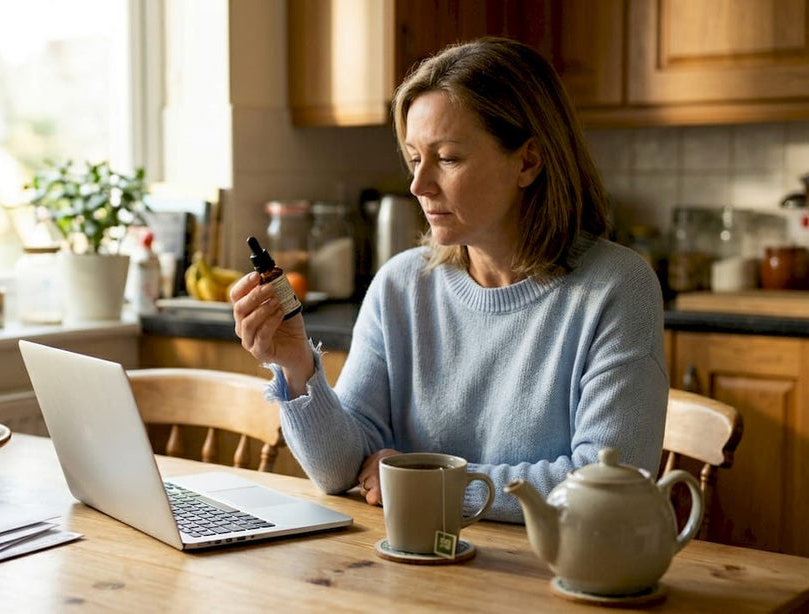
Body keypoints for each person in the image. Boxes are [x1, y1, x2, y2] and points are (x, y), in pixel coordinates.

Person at [229, 36, 668, 523]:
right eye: (415, 158)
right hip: (417, 574)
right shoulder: (401, 285)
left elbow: (611, 483)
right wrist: (296, 368)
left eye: (449, 158)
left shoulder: (618, 286)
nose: (418, 185)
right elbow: (343, 470)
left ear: (528, 161)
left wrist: (432, 482)